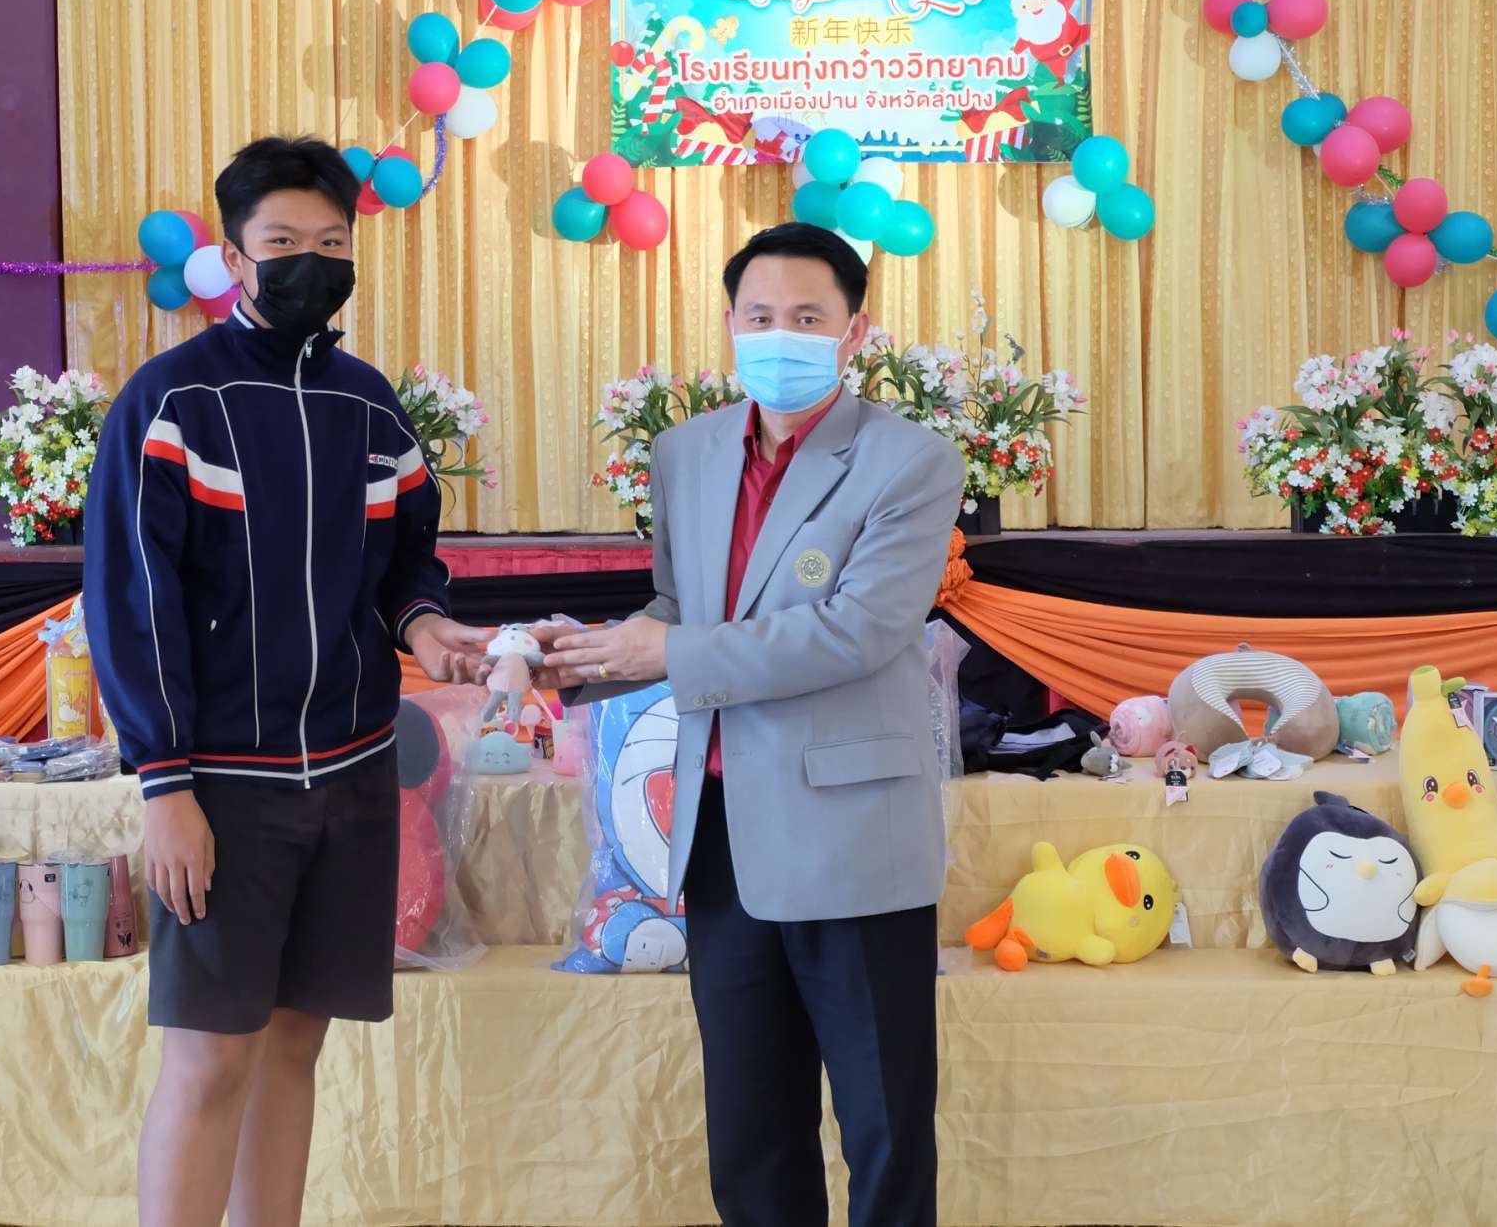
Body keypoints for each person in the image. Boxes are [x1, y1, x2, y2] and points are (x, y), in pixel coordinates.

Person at [84, 135, 490, 1227]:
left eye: (331, 242)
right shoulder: (174, 402)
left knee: (295, 1045)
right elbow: (131, 603)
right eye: (282, 242)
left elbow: (405, 563)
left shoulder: (370, 406)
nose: (311, 260)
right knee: (212, 1056)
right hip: (223, 787)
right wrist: (166, 786)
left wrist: (430, 629)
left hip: (353, 778)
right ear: (232, 257)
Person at [542, 222, 965, 1227]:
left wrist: (668, 652)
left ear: (854, 331)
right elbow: (678, 610)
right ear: (730, 323)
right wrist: (578, 655)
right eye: (761, 315)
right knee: (750, 1134)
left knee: (883, 1131)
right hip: (722, 835)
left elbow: (857, 630)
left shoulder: (908, 462)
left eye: (808, 317)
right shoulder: (685, 453)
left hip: (853, 837)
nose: (782, 335)